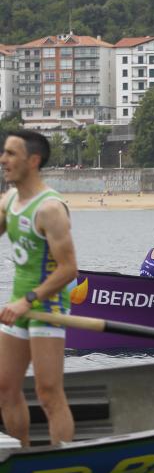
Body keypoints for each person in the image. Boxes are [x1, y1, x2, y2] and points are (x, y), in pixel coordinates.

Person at [0, 129, 77, 446]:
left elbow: (69, 269)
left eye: (11, 154)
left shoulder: (50, 209)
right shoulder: (9, 201)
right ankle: (23, 457)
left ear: (33, 161)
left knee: (48, 391)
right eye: (3, 152)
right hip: (19, 303)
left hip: (47, 306)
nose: (3, 159)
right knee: (5, 387)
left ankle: (63, 459)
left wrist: (27, 302)